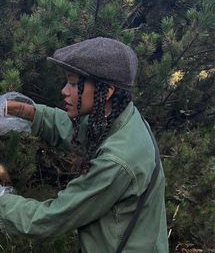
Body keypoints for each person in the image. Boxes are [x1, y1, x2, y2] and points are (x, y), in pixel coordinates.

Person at [0, 37, 169, 252]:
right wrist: (20, 112)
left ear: (106, 91)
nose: (64, 91)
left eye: (73, 83)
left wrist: (2, 201)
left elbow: (53, 218)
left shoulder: (118, 159)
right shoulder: (120, 116)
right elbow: (76, 130)